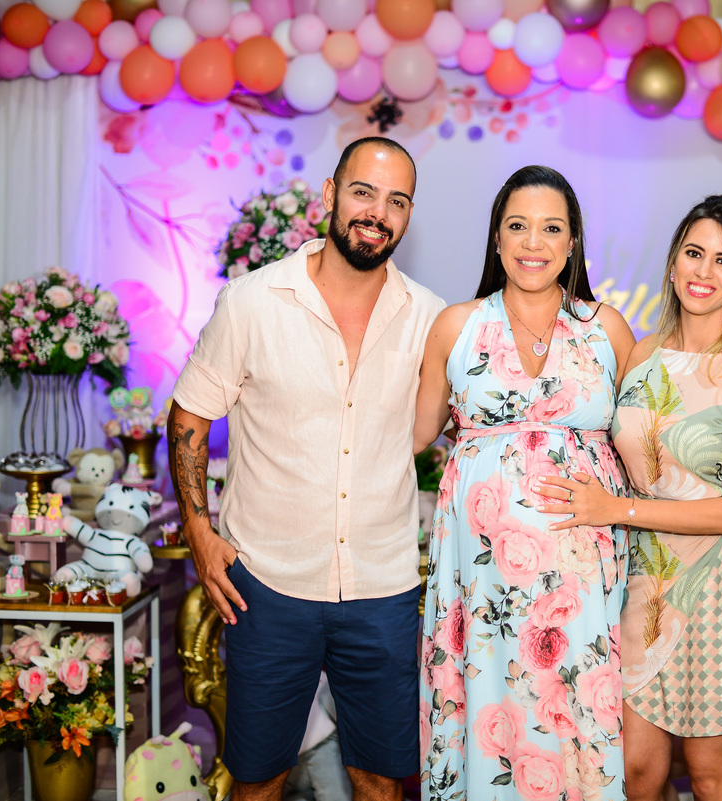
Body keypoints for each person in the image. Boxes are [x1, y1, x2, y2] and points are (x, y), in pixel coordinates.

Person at [167, 136, 444, 801]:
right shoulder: (253, 301)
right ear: (330, 195)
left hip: (381, 587)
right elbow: (188, 418)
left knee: (381, 778)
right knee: (258, 777)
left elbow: (451, 426)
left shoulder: (429, 317)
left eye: (396, 201)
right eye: (363, 192)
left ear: (409, 215)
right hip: (268, 584)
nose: (377, 213)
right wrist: (200, 533)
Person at [536, 195, 722, 801]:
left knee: (709, 777)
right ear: (674, 264)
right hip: (644, 580)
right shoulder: (642, 354)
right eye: (694, 254)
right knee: (637, 774)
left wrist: (616, 511)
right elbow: (591, 436)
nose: (704, 272)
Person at [412, 165, 635, 800]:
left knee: (578, 716)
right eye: (518, 226)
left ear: (573, 242)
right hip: (480, 582)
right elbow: (412, 435)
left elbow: (647, 449)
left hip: (583, 583)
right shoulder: (456, 327)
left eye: (551, 228)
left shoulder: (607, 329)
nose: (533, 243)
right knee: (492, 715)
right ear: (496, 237)